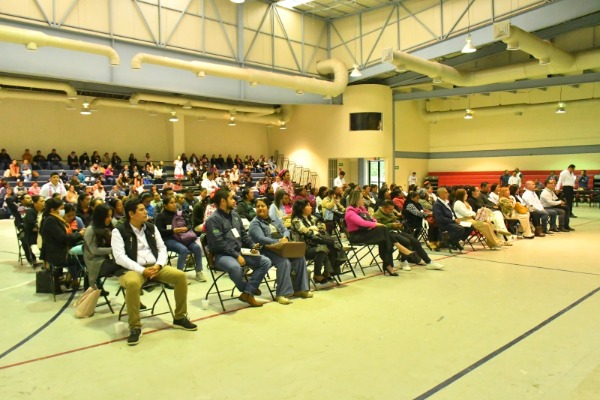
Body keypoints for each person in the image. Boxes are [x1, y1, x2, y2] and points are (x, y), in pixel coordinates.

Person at [111, 199, 197, 346]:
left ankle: (180, 317)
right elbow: (119, 257)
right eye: (141, 210)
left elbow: (162, 248)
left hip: (155, 266)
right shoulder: (118, 231)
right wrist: (142, 270)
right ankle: (135, 327)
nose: (146, 212)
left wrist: (158, 265)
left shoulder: (151, 227)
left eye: (145, 209)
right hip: (132, 269)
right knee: (132, 283)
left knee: (180, 276)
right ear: (131, 214)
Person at [205, 189, 271, 307]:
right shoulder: (213, 220)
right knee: (235, 267)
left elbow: (243, 234)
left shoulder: (235, 215)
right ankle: (248, 290)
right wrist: (236, 256)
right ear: (223, 201)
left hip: (239, 251)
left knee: (266, 262)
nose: (234, 200)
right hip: (221, 255)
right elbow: (219, 244)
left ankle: (247, 293)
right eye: (231, 198)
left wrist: (252, 245)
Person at [249, 198, 312, 305]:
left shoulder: (274, 219)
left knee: (300, 258)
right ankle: (281, 294)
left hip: (282, 247)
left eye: (263, 206)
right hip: (266, 249)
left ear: (268, 207)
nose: (260, 208)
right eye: (258, 206)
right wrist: (278, 241)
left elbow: (285, 230)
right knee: (284, 262)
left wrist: (286, 238)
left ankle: (300, 289)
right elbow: (260, 238)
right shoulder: (255, 223)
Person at [375, 199, 443, 270]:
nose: (391, 211)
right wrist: (391, 225)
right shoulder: (377, 215)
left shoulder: (390, 213)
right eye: (390, 209)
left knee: (415, 241)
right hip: (387, 234)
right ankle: (403, 261)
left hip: (397, 231)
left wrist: (398, 224)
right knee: (405, 241)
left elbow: (394, 220)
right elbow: (378, 227)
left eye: (392, 209)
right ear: (384, 207)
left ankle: (429, 262)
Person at [344, 191, 398, 276]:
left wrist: (374, 223)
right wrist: (376, 224)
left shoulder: (362, 209)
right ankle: (391, 260)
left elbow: (372, 219)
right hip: (356, 235)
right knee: (383, 231)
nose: (363, 199)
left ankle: (388, 264)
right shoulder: (350, 212)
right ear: (356, 199)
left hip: (366, 232)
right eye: (361, 198)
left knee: (384, 238)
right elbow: (362, 223)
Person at [155, 196, 206, 282]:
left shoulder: (180, 214)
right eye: (171, 203)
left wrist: (186, 228)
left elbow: (190, 225)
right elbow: (159, 231)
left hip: (183, 237)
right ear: (165, 205)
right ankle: (179, 275)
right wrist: (173, 231)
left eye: (175, 202)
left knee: (197, 248)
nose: (174, 204)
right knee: (183, 250)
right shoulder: (160, 216)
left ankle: (199, 271)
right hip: (169, 239)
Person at [40, 197, 85, 293]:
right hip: (56, 254)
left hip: (62, 249)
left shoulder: (57, 219)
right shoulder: (51, 221)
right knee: (85, 257)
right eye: (61, 208)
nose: (63, 210)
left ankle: (71, 278)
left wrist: (77, 234)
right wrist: (80, 234)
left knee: (83, 254)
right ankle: (76, 280)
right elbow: (63, 238)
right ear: (53, 210)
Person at [83, 204, 119, 295]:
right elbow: (94, 250)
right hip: (95, 263)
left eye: (111, 216)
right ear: (100, 217)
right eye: (107, 216)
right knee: (125, 265)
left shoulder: (108, 227)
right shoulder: (90, 229)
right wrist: (113, 249)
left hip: (105, 259)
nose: (110, 219)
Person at [23, 195, 45, 267]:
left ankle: (47, 260)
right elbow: (31, 225)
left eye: (44, 201)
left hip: (43, 233)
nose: (43, 203)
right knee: (25, 243)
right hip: (33, 235)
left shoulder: (45, 211)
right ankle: (33, 259)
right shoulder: (30, 212)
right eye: (41, 201)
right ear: (35, 203)